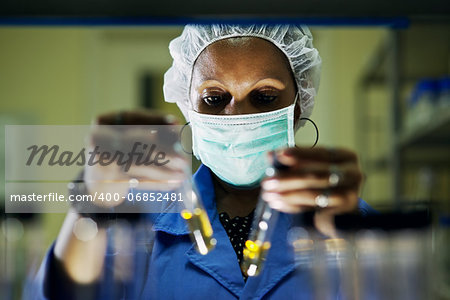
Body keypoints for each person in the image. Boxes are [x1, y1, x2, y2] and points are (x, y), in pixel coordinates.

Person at [30, 24, 375, 299]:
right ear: (188, 109)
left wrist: (352, 237)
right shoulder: (141, 221)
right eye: (213, 97)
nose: (237, 115)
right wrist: (91, 201)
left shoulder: (346, 218)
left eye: (264, 96)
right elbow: (62, 293)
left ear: (297, 106)